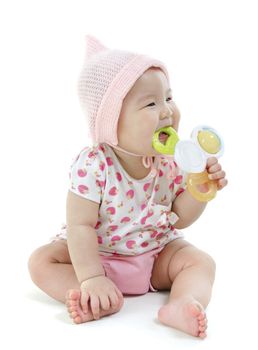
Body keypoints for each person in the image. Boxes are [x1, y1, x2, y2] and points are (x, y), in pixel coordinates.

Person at [28, 35, 228, 339]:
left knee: (201, 262)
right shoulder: (94, 165)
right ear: (111, 123)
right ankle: (92, 295)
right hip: (97, 254)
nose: (166, 112)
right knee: (42, 262)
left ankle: (184, 302)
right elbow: (79, 225)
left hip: (155, 252)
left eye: (169, 98)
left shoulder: (172, 160)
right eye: (151, 103)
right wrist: (92, 276)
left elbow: (180, 216)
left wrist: (200, 188)